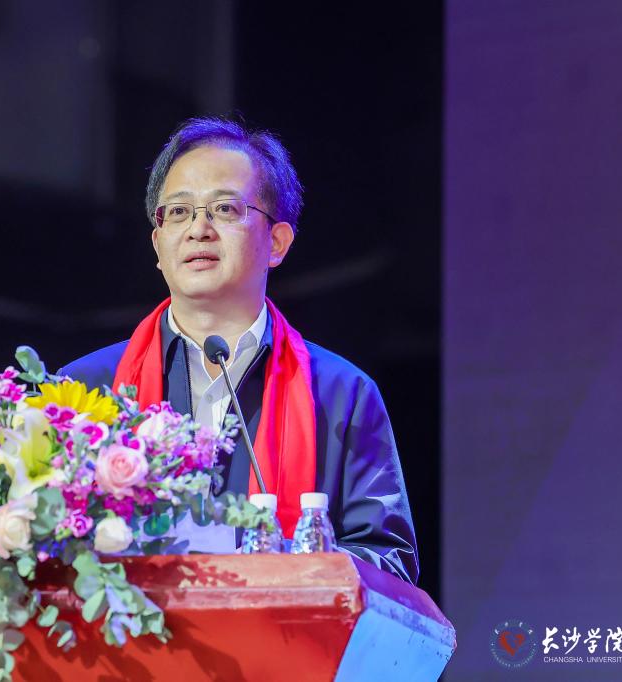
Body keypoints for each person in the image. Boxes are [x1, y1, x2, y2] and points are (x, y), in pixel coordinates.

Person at [60, 117, 419, 584]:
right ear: (157, 244)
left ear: (277, 242)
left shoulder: (340, 394)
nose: (198, 229)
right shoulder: (84, 390)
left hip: (282, 633)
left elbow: (389, 567)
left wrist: (292, 567)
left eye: (225, 209)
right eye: (179, 212)